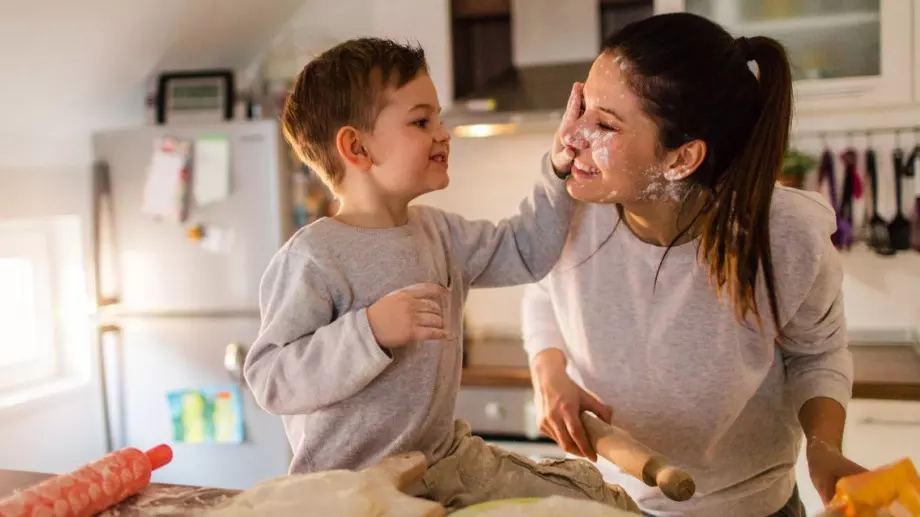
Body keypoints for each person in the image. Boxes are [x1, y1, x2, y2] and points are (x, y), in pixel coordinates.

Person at [243, 38, 636, 512]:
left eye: (439, 118)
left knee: (595, 503)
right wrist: (370, 331)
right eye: (421, 120)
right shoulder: (314, 256)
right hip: (350, 490)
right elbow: (271, 380)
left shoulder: (440, 233)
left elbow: (525, 250)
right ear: (357, 147)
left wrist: (557, 169)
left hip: (442, 466)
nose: (443, 133)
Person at [522, 13, 866, 517]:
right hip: (608, 503)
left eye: (605, 124)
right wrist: (549, 373)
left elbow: (817, 354)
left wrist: (824, 448)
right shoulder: (564, 207)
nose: (571, 137)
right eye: (579, 109)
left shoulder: (785, 234)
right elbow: (543, 291)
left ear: (682, 159)